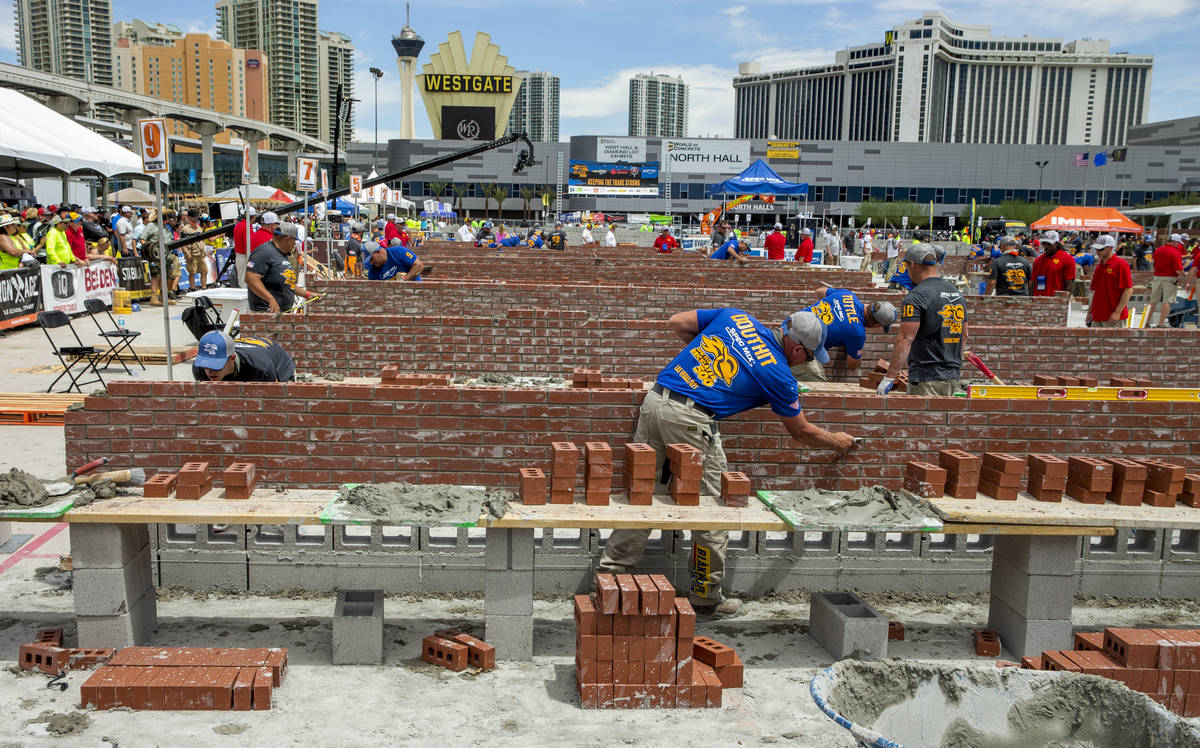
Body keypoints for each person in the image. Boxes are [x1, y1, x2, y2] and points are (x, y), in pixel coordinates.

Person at [596, 307, 856, 618]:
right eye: (810, 357)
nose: (808, 364)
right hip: (691, 421)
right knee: (715, 508)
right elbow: (801, 431)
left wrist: (703, 369)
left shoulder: (737, 317)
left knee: (643, 496)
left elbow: (677, 322)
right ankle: (705, 597)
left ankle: (608, 577)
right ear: (796, 347)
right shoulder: (778, 373)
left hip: (655, 401)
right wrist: (837, 441)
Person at [880, 244, 966, 396]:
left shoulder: (916, 296)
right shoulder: (956, 293)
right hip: (953, 377)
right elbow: (964, 335)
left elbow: (906, 339)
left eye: (907, 266)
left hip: (927, 378)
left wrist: (890, 377)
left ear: (912, 264)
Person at [796, 289, 897, 381]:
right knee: (819, 388)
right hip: (799, 347)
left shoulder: (847, 294)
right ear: (877, 324)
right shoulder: (857, 333)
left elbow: (819, 291)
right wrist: (856, 346)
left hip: (792, 323)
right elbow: (853, 365)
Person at [246, 222, 310, 315]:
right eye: (294, 241)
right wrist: (270, 299)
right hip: (265, 313)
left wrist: (308, 294)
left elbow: (287, 284)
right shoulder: (264, 252)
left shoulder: (282, 253)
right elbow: (251, 279)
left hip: (279, 313)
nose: (294, 245)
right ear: (288, 239)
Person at [193, 330, 296, 382]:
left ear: (232, 358)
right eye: (206, 365)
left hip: (277, 362)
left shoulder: (260, 367)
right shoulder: (199, 368)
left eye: (215, 365)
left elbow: (274, 400)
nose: (210, 371)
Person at [1088, 234, 1133, 328]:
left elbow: (1128, 290)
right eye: (1096, 249)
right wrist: (1090, 312)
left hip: (1112, 316)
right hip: (1097, 316)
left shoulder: (1121, 265)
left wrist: (1117, 312)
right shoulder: (1099, 267)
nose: (1098, 252)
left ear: (1110, 248)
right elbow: (1096, 292)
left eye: (1101, 249)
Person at [1146, 233, 1185, 328]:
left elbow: (1154, 264)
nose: (1179, 245)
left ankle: (1146, 322)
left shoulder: (1158, 250)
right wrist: (1185, 276)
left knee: (1153, 300)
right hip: (1170, 278)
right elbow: (1178, 270)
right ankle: (1161, 324)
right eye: (1178, 243)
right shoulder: (1175, 253)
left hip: (1157, 277)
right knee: (1167, 301)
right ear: (1175, 242)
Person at [1031, 230, 1076, 297]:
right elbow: (1033, 282)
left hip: (1056, 301)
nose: (1046, 246)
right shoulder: (1038, 260)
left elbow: (1069, 284)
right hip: (1038, 300)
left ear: (1056, 244)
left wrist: (1064, 302)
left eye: (1049, 244)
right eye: (1044, 243)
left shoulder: (1067, 259)